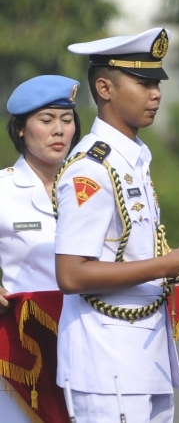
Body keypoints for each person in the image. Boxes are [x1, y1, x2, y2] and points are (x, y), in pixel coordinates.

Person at [54, 28, 179, 422]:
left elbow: (133, 252)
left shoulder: (134, 158)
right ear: (105, 88)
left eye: (157, 83)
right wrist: (166, 265)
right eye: (144, 83)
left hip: (146, 357)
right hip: (106, 362)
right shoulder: (90, 169)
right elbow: (71, 274)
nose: (156, 93)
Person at [0, 75, 81, 423]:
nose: (59, 130)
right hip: (23, 352)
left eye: (67, 120)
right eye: (46, 120)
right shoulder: (4, 190)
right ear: (21, 129)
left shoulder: (89, 187)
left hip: (84, 340)